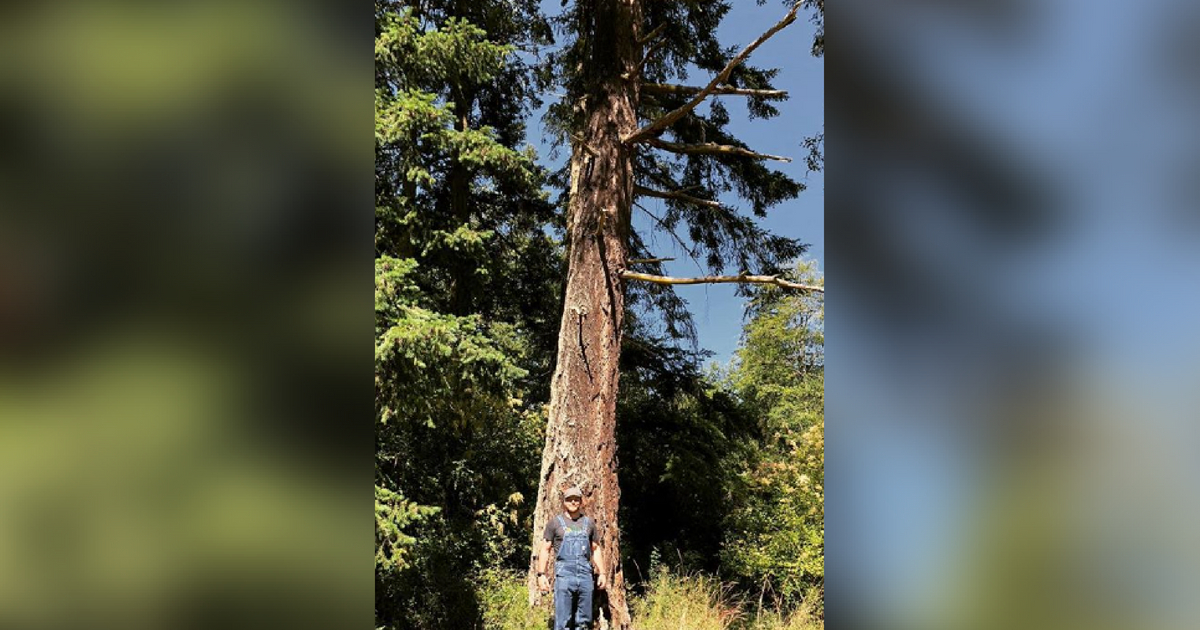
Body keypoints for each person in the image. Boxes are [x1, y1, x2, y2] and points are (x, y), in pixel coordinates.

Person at [536, 486, 607, 630]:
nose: (573, 502)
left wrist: (603, 573)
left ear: (581, 502)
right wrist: (541, 574)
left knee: (585, 620)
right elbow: (545, 549)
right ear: (564, 502)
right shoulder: (555, 523)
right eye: (569, 499)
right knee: (562, 621)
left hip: (585, 576)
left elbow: (596, 549)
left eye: (576, 499)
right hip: (564, 576)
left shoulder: (589, 523)